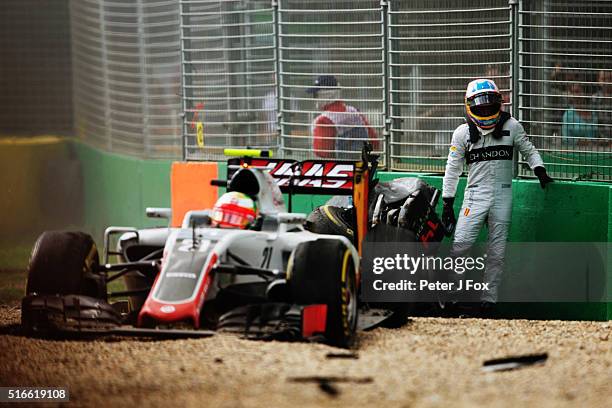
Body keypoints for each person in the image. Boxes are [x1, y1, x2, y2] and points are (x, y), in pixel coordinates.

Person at [441, 78, 554, 314]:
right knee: (460, 246)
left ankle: (488, 301)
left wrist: (540, 170)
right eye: (479, 106)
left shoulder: (512, 126)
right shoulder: (462, 133)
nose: (484, 109)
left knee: (497, 252)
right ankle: (450, 299)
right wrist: (448, 201)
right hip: (474, 196)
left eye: (489, 104)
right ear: (469, 105)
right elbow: (452, 168)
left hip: (503, 196)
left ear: (499, 103)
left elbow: (529, 150)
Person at [307, 75, 379, 159]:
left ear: (324, 94)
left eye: (315, 95)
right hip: (362, 163)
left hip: (338, 167)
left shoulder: (324, 121)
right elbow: (374, 142)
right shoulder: (354, 112)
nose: (314, 98)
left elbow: (322, 154)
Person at [561, 83, 599, 149]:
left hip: (593, 151)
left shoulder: (593, 113)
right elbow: (566, 139)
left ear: (585, 93)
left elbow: (597, 136)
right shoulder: (568, 114)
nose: (575, 95)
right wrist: (584, 142)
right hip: (574, 152)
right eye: (572, 92)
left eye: (577, 92)